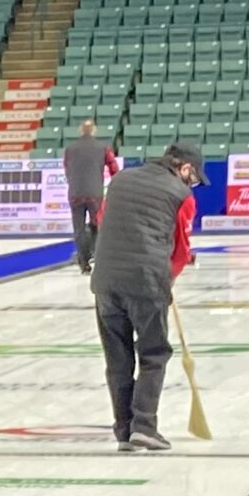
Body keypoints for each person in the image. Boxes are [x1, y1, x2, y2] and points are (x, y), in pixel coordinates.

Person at [91, 139, 200, 453]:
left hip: (105, 281)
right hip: (146, 281)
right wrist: (169, 281)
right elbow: (180, 250)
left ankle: (124, 429)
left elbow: (101, 220)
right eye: (193, 178)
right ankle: (145, 426)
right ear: (185, 168)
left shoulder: (121, 179)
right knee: (154, 354)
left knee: (118, 359)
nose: (192, 184)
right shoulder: (182, 196)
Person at [61, 118, 117, 275]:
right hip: (95, 193)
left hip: (75, 193)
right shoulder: (102, 148)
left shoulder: (70, 149)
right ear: (94, 131)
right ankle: (98, 257)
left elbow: (66, 169)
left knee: (78, 228)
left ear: (80, 131)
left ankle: (83, 263)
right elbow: (114, 167)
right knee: (97, 226)